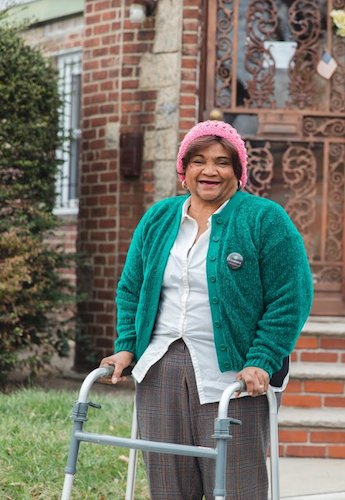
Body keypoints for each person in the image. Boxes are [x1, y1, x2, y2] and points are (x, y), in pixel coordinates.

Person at [99, 120, 313, 500]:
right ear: (184, 169)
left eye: (221, 162)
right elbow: (132, 289)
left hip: (234, 377)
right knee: (168, 488)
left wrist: (261, 360)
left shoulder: (265, 220)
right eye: (197, 160)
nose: (209, 170)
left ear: (238, 171)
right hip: (160, 367)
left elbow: (290, 298)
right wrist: (127, 346)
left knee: (236, 487)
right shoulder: (159, 218)